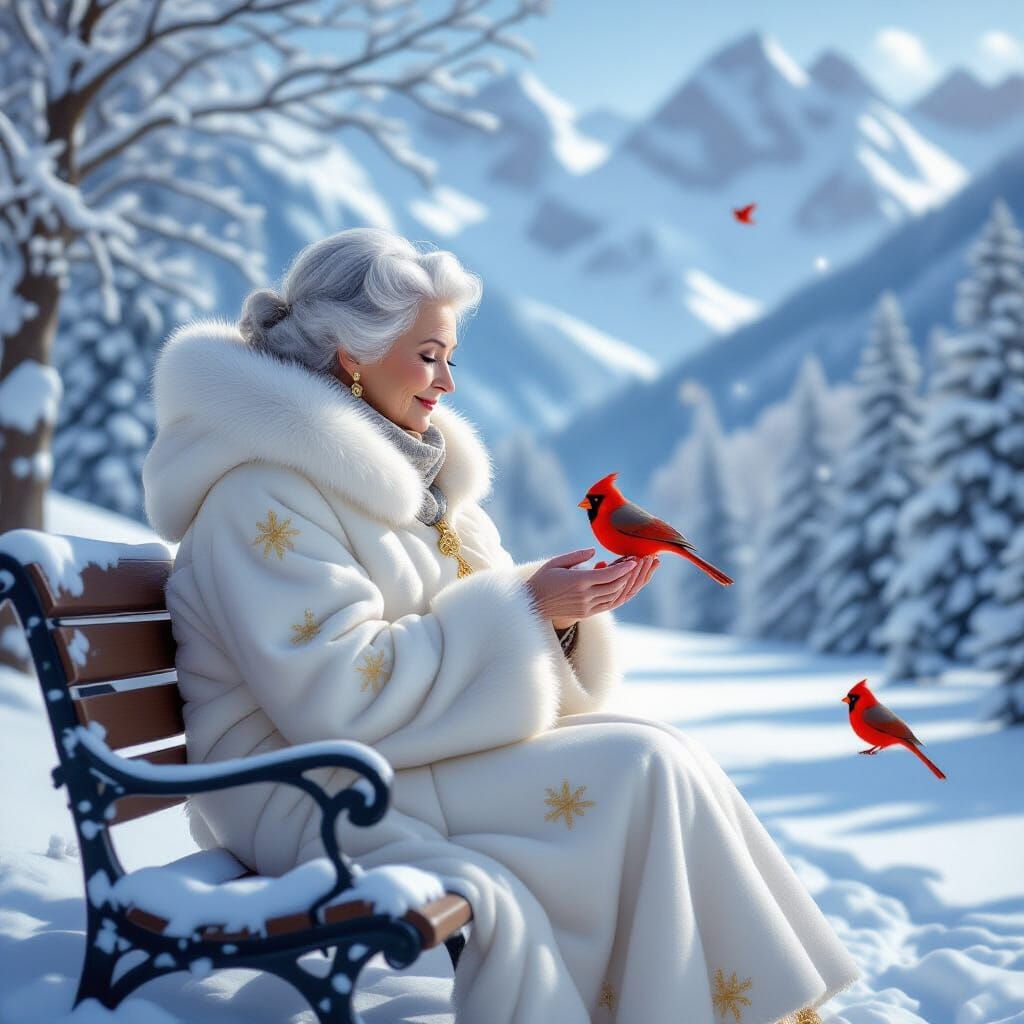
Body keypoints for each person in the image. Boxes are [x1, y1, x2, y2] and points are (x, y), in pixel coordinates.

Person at [142, 227, 861, 1024]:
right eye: (428, 356)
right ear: (353, 353)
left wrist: (557, 618)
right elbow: (336, 692)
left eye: (451, 358)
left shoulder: (414, 478)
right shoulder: (263, 495)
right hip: (304, 788)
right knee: (639, 766)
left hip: (390, 760)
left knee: (663, 750)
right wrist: (523, 607)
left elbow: (475, 625)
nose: (447, 382)